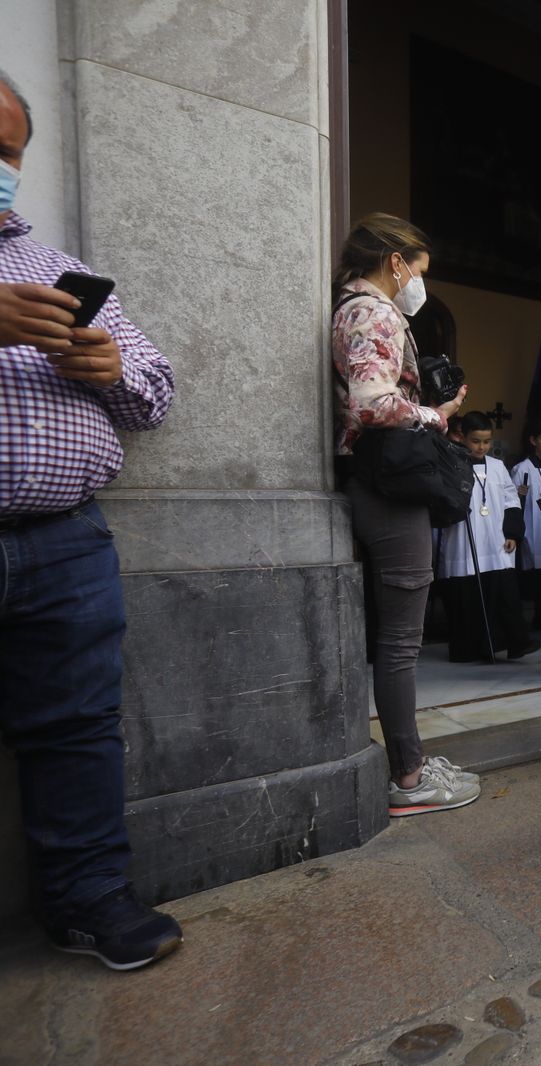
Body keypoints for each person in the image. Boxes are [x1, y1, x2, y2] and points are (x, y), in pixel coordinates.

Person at [0, 69, 185, 970]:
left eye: (7, 151)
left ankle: (89, 900)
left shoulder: (54, 266)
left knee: (76, 725)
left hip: (64, 541)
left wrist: (109, 368)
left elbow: (156, 395)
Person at [331, 213, 480, 820]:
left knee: (399, 639)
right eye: (419, 269)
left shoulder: (353, 309)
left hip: (377, 483)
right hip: (389, 489)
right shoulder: (373, 311)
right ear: (396, 262)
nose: (420, 282)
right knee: (400, 642)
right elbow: (372, 401)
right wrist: (436, 415)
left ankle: (409, 760)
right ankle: (410, 776)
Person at [437, 411, 529, 662]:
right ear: (463, 437)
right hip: (464, 542)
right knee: (468, 599)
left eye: (486, 441)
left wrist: (513, 533)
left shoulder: (498, 467)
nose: (481, 446)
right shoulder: (453, 465)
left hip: (496, 540)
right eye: (476, 441)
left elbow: (512, 501)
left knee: (503, 595)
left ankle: (509, 643)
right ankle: (469, 648)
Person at [512, 421, 541, 634]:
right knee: (537, 572)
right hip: (533, 526)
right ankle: (538, 615)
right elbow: (513, 499)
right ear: (533, 441)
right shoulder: (523, 468)